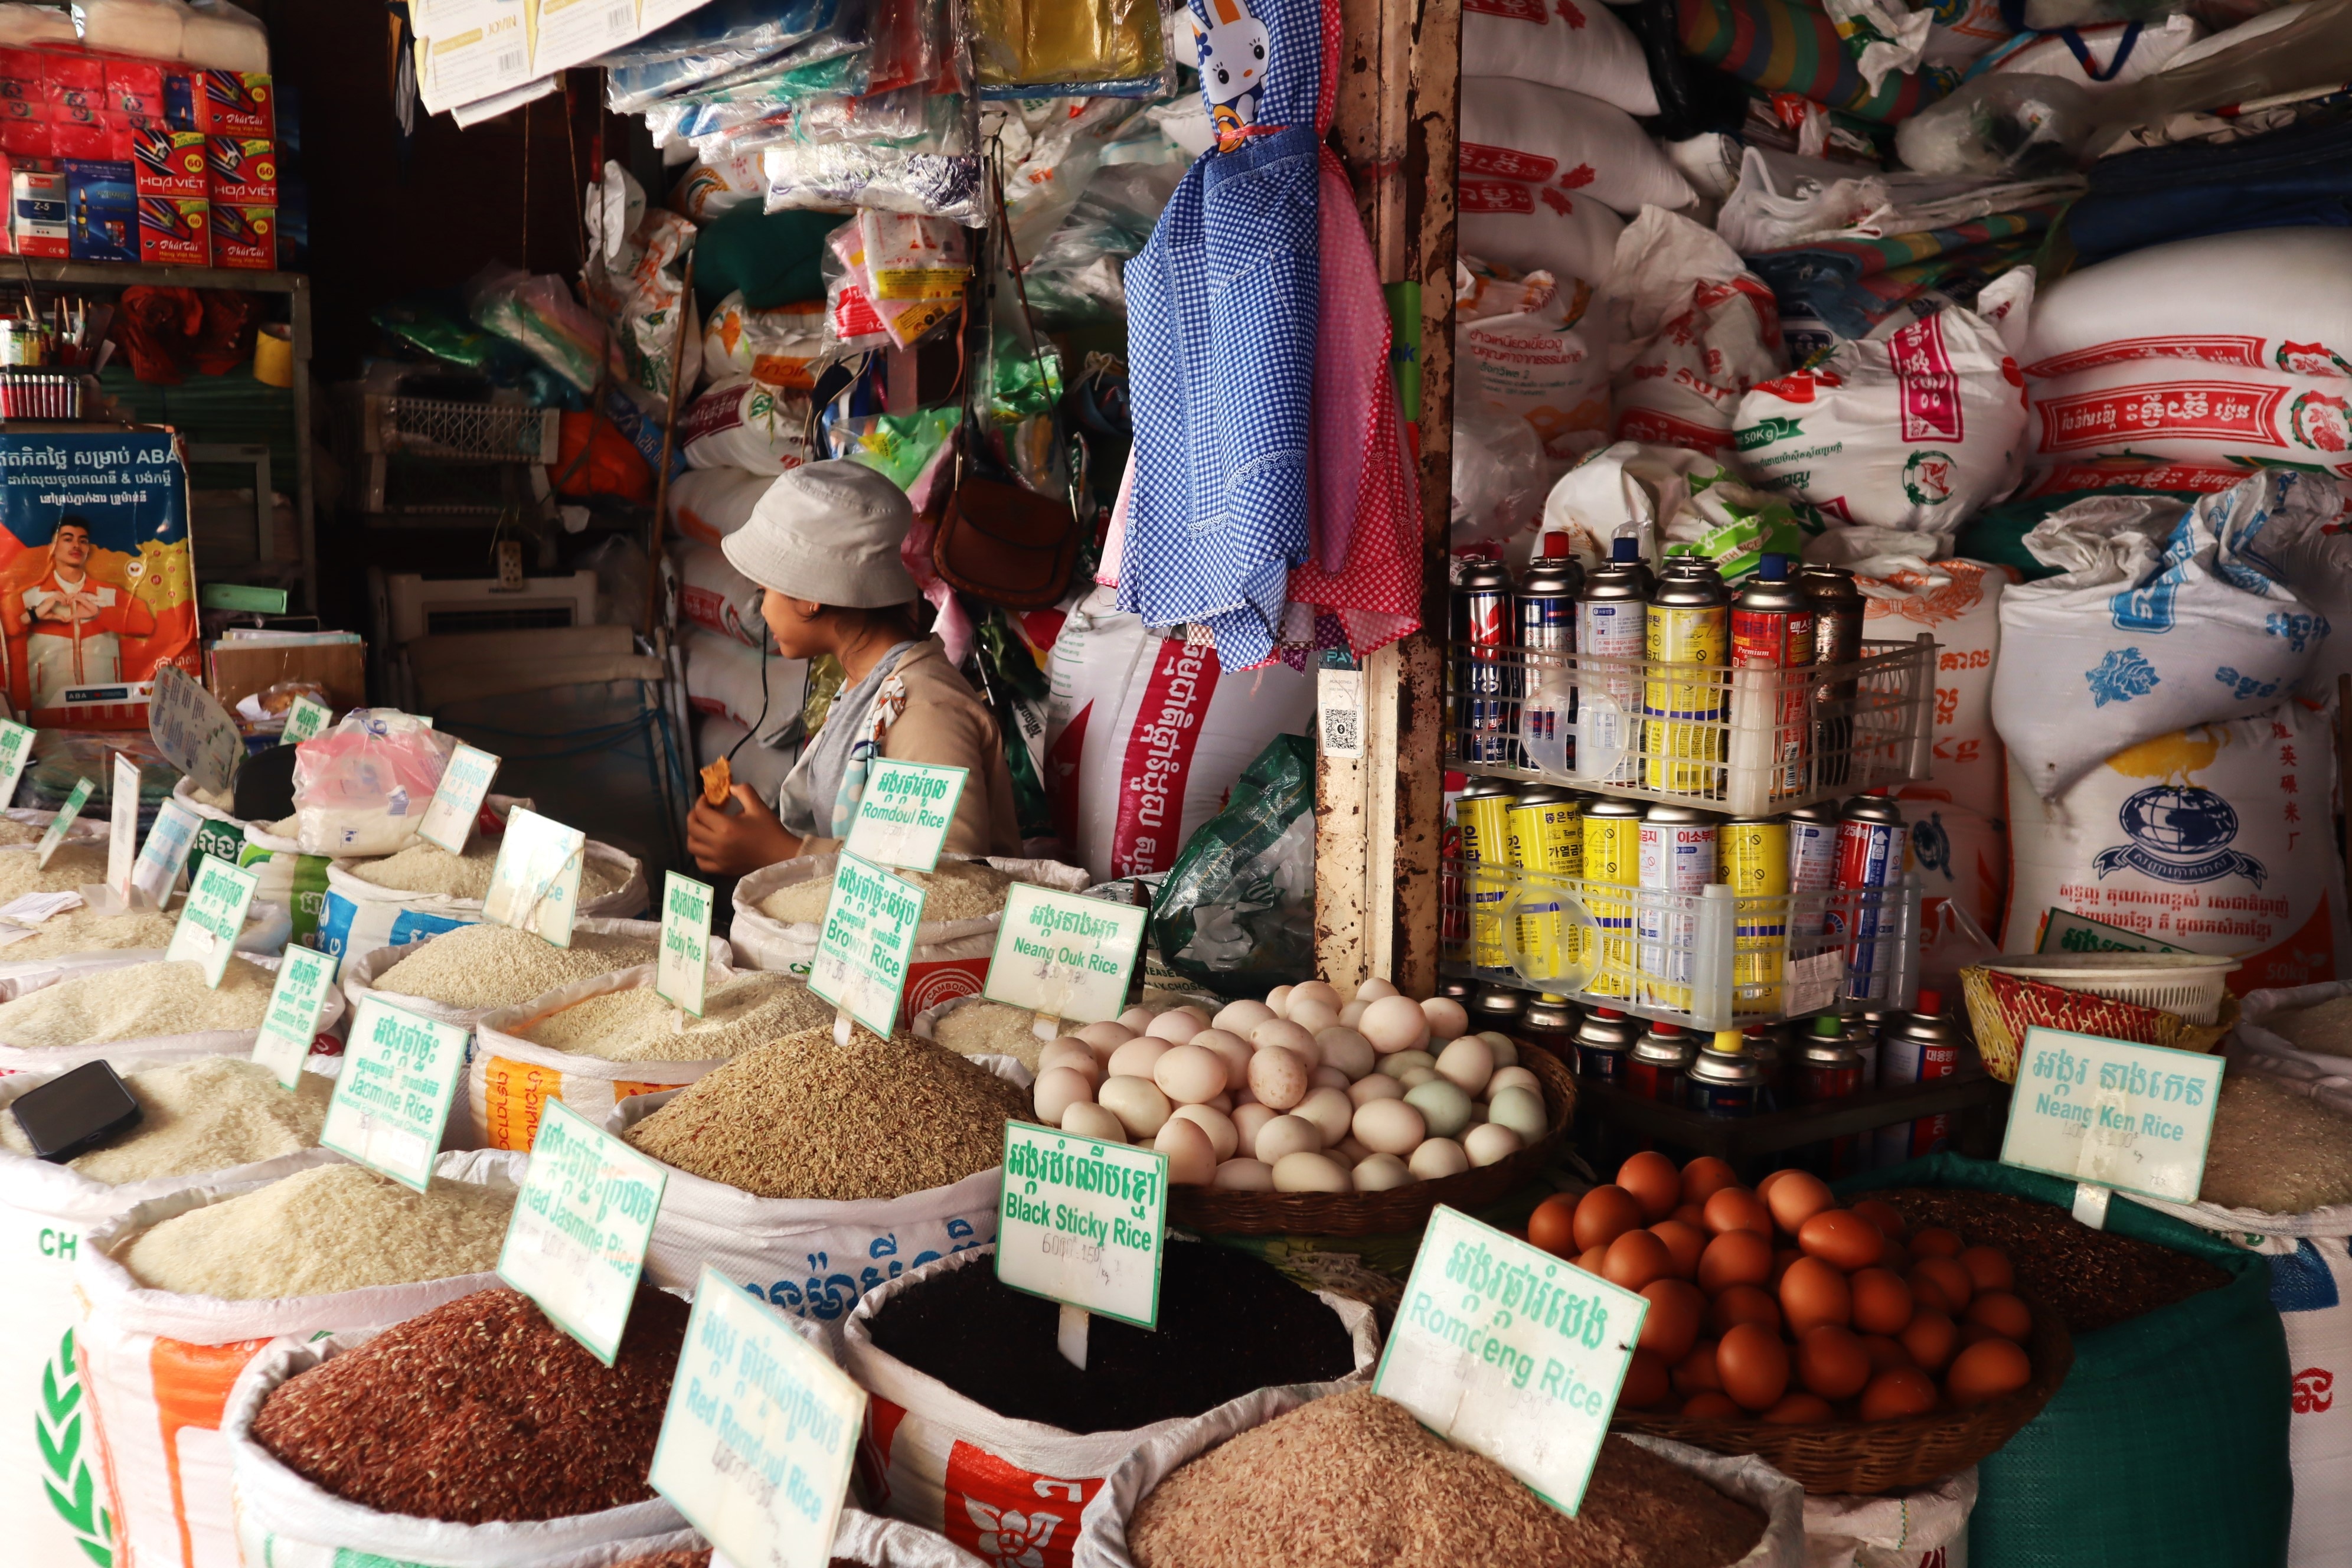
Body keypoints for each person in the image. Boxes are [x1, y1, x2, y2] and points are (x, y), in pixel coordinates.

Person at [686, 460, 1022, 876]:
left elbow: (950, 885)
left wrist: (786, 854)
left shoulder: (925, 711)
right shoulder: (865, 689)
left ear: (808, 595)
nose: (761, 609)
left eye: (764, 590)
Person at [7, 516, 155, 705]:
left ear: (88, 549)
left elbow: (146, 625)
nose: (76, 545)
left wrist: (100, 614)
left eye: (83, 540)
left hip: (105, 704)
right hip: (48, 709)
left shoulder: (110, 593)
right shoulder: (29, 597)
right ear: (52, 546)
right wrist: (33, 615)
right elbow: (5, 634)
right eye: (68, 539)